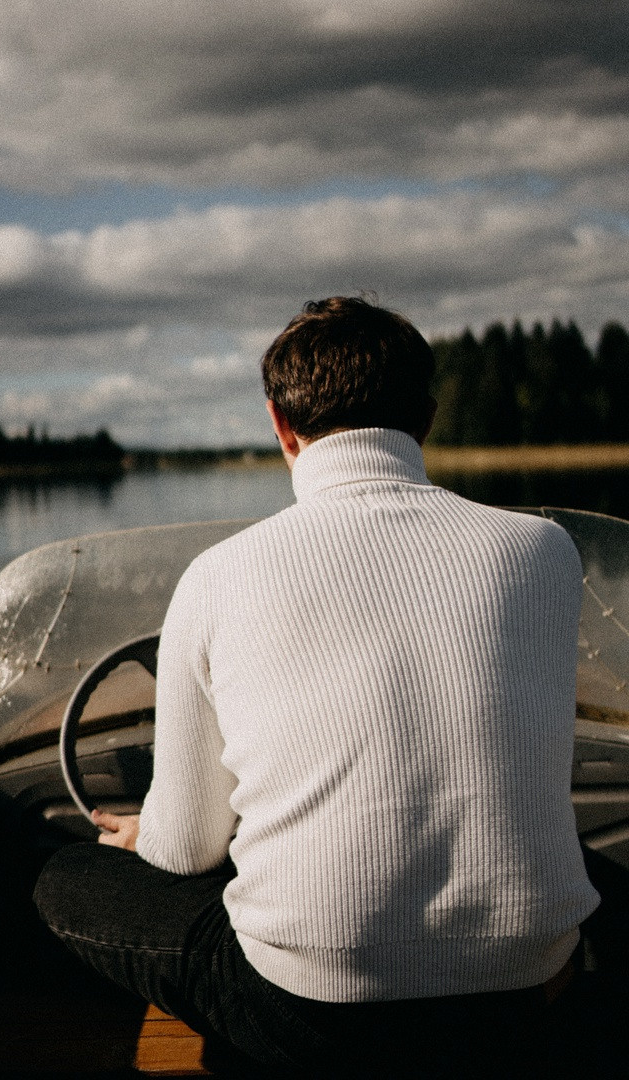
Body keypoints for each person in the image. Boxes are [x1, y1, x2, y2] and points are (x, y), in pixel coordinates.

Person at [35, 296, 599, 1077]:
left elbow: (190, 847)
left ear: (280, 425)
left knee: (67, 879)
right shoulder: (544, 551)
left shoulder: (218, 576)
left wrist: (143, 835)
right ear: (427, 420)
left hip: (314, 1014)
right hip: (529, 989)